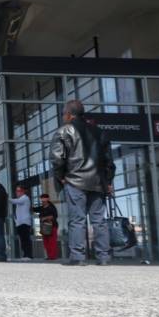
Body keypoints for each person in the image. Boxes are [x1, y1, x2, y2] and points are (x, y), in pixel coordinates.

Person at [50, 99, 115, 266]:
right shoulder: (99, 132)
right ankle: (104, 257)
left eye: (64, 113)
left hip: (75, 181)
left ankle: (78, 257)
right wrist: (107, 181)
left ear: (70, 114)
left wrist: (61, 177)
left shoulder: (64, 131)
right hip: (97, 182)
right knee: (99, 221)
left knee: (77, 220)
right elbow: (108, 160)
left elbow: (57, 159)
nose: (63, 116)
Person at [9, 185, 33, 260]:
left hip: (24, 222)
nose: (17, 192)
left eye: (18, 191)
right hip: (20, 223)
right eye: (16, 191)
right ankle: (25, 254)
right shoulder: (22, 199)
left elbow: (15, 201)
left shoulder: (25, 198)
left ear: (23, 191)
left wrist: (6, 198)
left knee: (26, 239)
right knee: (23, 240)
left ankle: (28, 255)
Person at [33, 193, 59, 260]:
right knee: (46, 242)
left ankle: (52, 257)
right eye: (42, 199)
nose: (43, 200)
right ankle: (49, 256)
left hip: (52, 227)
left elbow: (54, 216)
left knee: (52, 242)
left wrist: (45, 218)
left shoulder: (51, 207)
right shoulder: (41, 208)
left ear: (47, 199)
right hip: (44, 227)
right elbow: (34, 209)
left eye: (44, 199)